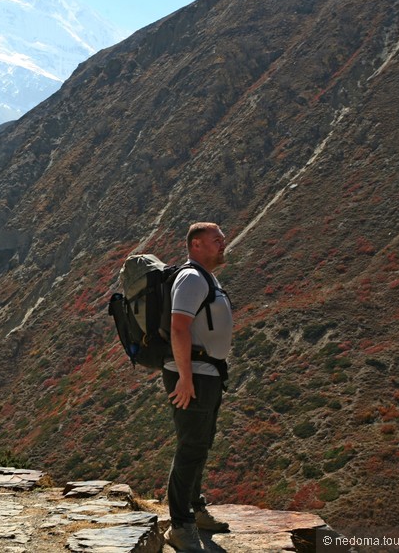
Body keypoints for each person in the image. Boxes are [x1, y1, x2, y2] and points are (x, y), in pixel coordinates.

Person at [163, 222, 233, 552]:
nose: (223, 244)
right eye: (216, 240)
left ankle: (194, 509)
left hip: (206, 375)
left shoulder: (206, 277)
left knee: (200, 446)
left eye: (222, 239)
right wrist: (185, 377)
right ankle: (180, 526)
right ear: (196, 246)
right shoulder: (191, 278)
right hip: (193, 376)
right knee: (190, 448)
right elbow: (179, 329)